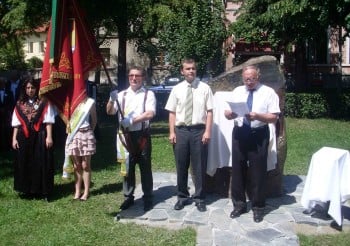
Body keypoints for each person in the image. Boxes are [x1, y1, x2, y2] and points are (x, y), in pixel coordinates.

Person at [224, 64, 280, 222]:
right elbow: (227, 114)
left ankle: (258, 207)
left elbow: (274, 117)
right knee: (238, 169)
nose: (249, 82)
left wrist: (258, 116)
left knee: (258, 171)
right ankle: (239, 205)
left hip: (258, 133)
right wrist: (229, 114)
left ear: (258, 77)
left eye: (252, 79)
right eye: (246, 79)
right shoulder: (237, 91)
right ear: (243, 78)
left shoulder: (268, 93)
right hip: (240, 133)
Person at [165, 58, 213, 212]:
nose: (191, 71)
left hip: (199, 130)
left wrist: (207, 131)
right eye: (187, 69)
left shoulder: (205, 88)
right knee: (181, 165)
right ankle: (182, 196)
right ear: (182, 71)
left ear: (196, 70)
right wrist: (172, 132)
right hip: (181, 131)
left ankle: (199, 198)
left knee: (199, 166)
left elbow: (210, 112)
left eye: (193, 68)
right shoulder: (176, 89)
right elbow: (172, 112)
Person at [106, 66, 156, 212]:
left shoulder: (148, 94)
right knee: (128, 167)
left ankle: (148, 197)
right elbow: (109, 112)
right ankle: (129, 197)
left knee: (145, 167)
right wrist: (110, 100)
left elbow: (150, 114)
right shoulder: (121, 95)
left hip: (142, 136)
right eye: (131, 75)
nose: (134, 78)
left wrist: (132, 121)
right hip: (125, 136)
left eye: (137, 76)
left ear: (143, 78)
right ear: (129, 77)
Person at [11, 77, 55, 200]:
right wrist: (14, 139)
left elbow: (49, 121)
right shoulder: (19, 104)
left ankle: (43, 190)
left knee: (41, 162)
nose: (30, 90)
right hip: (24, 136)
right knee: (25, 161)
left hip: (40, 135)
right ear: (25, 89)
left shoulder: (44, 102)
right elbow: (16, 124)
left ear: (37, 89)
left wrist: (49, 137)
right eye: (28, 88)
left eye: (33, 88)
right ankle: (28, 189)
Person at [66, 97, 97, 201]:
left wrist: (89, 132)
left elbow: (94, 119)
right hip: (74, 134)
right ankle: (77, 191)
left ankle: (87, 192)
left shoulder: (89, 102)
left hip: (86, 133)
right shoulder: (70, 101)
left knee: (85, 165)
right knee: (76, 165)